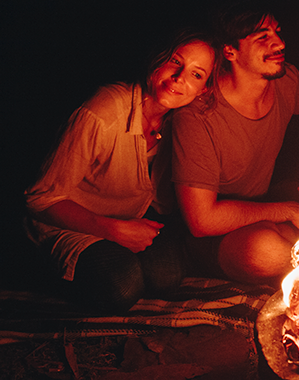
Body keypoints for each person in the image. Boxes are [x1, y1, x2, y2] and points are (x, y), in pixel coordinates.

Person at [25, 30, 217, 313]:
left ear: (204, 90)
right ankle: (34, 270)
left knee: (167, 277)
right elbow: (38, 198)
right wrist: (111, 230)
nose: (180, 78)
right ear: (158, 59)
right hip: (69, 220)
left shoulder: (184, 123)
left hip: (129, 220)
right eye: (175, 62)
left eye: (196, 74)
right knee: (123, 287)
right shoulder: (103, 111)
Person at [167, 4, 299, 285]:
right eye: (262, 37)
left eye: (276, 32)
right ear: (230, 51)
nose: (279, 43)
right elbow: (201, 221)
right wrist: (287, 210)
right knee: (265, 251)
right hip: (213, 231)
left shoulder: (286, 80)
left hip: (263, 204)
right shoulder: (198, 115)